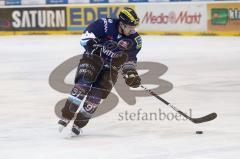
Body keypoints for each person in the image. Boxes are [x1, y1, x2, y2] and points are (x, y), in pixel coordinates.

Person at [58, 7, 142, 136]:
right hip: (93, 59)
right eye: (130, 26)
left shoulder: (135, 40)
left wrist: (130, 73)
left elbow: (130, 59)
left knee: (95, 97)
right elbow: (85, 38)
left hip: (111, 69)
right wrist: (95, 46)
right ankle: (66, 116)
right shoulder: (104, 24)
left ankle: (79, 123)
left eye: (134, 26)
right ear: (122, 24)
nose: (133, 30)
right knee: (82, 86)